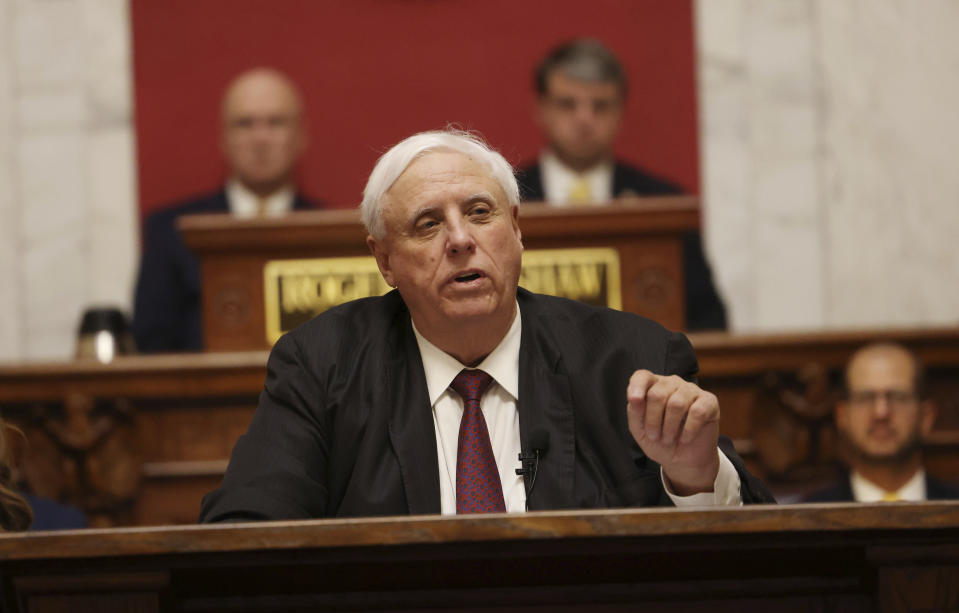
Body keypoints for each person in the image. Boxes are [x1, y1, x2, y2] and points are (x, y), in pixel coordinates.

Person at [200, 129, 773, 523]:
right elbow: (244, 532)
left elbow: (757, 564)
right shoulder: (323, 365)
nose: (460, 239)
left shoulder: (629, 359)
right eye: (427, 224)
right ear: (384, 261)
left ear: (517, 229)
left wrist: (695, 477)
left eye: (480, 212)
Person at [515, 39, 727, 331]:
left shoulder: (663, 206)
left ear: (621, 113)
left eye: (600, 106)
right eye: (567, 104)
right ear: (541, 109)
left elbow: (708, 322)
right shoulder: (506, 201)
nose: (584, 119)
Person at [133, 67, 320, 352]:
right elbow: (150, 345)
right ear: (224, 138)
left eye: (276, 123)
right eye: (245, 124)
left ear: (301, 136)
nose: (261, 138)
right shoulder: (172, 233)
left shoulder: (330, 233)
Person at [805, 342, 959, 503]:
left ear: (926, 416)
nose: (881, 412)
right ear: (842, 416)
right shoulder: (802, 517)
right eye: (865, 398)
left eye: (897, 397)